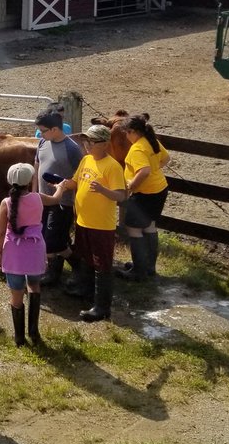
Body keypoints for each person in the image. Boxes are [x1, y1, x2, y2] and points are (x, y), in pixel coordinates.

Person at [45, 125, 126, 323]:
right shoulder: (86, 159)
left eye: (91, 141)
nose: (86, 145)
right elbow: (75, 182)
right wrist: (63, 185)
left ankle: (102, 307)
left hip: (101, 226)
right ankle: (85, 291)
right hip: (83, 221)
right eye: (86, 141)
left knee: (102, 264)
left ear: (105, 144)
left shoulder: (112, 166)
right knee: (86, 258)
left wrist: (103, 190)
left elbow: (122, 195)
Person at [0, 163, 48, 347]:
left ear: (10, 181)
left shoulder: (6, 203)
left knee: (16, 295)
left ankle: (19, 337)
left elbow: (0, 232)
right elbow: (56, 199)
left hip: (14, 253)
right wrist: (62, 188)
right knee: (34, 285)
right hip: (35, 250)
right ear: (31, 180)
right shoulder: (38, 198)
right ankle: (34, 331)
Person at [33, 109, 84, 291]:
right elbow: (37, 167)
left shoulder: (72, 149)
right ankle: (54, 273)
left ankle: (79, 267)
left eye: (43, 130)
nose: (41, 134)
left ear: (55, 129)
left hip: (63, 202)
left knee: (54, 241)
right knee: (51, 237)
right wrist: (34, 193)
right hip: (44, 200)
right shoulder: (42, 143)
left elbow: (80, 177)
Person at [115, 114, 171, 281]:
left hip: (145, 193)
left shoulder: (137, 149)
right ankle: (148, 267)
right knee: (150, 226)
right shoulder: (151, 140)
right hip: (159, 189)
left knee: (133, 228)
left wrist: (132, 185)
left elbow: (144, 171)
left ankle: (138, 271)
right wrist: (155, 171)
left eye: (126, 132)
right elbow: (166, 158)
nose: (126, 136)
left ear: (133, 132)